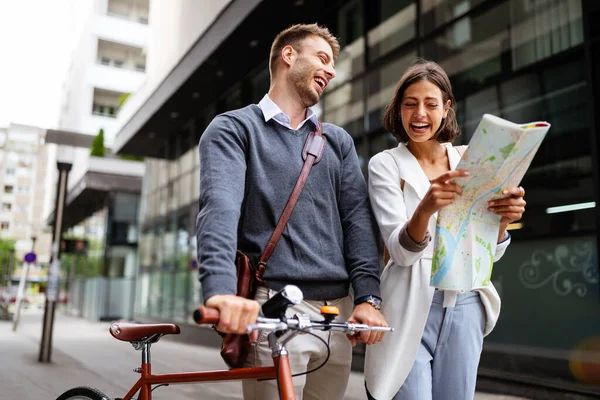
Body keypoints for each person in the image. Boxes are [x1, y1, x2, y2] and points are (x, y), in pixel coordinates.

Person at [196, 23, 388, 400]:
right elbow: (219, 209)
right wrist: (219, 291)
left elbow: (358, 222)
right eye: (322, 58)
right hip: (275, 310)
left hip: (339, 314)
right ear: (288, 55)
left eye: (333, 65)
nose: (331, 70)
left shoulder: (337, 142)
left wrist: (368, 298)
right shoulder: (235, 129)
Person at [364, 60, 527, 400]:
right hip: (409, 304)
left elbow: (489, 251)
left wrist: (503, 220)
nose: (419, 113)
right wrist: (425, 208)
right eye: (410, 104)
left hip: (466, 302)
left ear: (446, 108)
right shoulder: (386, 164)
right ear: (399, 109)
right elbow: (400, 252)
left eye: (430, 103)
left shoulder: (472, 160)